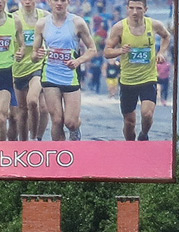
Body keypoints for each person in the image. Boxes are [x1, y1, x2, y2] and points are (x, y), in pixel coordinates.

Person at [103, 0, 171, 140]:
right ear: (127, 9)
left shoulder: (154, 25)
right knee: (129, 122)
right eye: (132, 8)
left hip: (148, 77)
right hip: (128, 80)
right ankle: (130, 147)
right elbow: (107, 52)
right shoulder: (119, 28)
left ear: (145, 9)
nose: (135, 12)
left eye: (138, 8)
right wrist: (120, 50)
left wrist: (161, 52)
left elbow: (166, 36)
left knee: (147, 114)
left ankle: (144, 134)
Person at [32, 0, 96, 141]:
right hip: (50, 76)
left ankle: (76, 128)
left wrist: (78, 61)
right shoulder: (42, 24)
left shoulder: (77, 23)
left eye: (62, 0)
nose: (59, 3)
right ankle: (61, 155)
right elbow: (34, 55)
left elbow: (92, 49)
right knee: (56, 120)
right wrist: (37, 55)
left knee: (70, 122)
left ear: (68, 2)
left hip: (69, 76)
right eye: (55, 0)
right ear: (49, 2)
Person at [11, 0, 47, 141]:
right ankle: (24, 144)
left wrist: (46, 51)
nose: (27, 1)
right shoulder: (14, 18)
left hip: (38, 66)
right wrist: (15, 55)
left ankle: (36, 139)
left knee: (33, 101)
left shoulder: (45, 17)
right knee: (22, 110)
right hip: (18, 68)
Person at [0, 2, 24, 140]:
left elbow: (21, 45)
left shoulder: (14, 21)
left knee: (8, 117)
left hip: (6, 73)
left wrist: (20, 53)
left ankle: (7, 151)